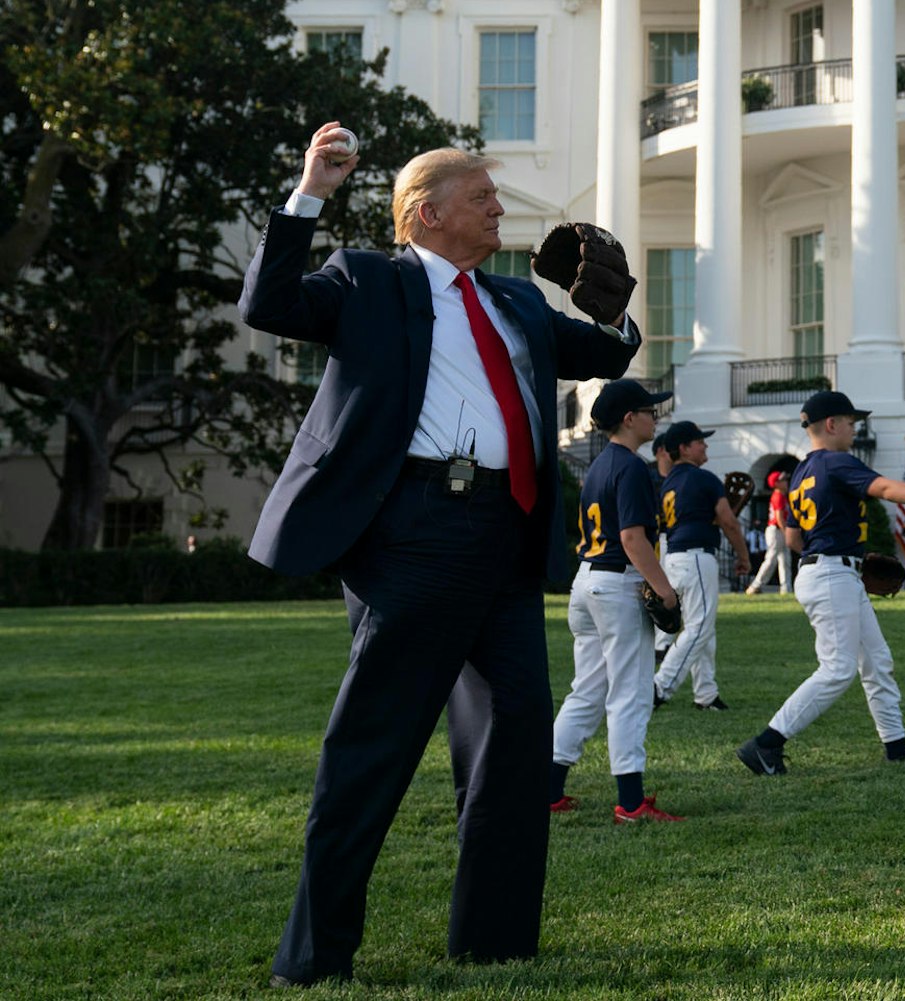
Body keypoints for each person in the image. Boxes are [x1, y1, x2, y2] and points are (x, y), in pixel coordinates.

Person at [239, 124, 643, 987]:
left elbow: (605, 354)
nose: (499, 209)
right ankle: (314, 955)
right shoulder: (366, 279)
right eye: (481, 197)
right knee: (375, 746)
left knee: (513, 741)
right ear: (426, 213)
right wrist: (311, 191)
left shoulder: (515, 302)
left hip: (507, 536)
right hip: (413, 535)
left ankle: (495, 942)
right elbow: (269, 305)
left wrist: (611, 308)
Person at [737, 391, 905, 775]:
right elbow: (884, 489)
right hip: (832, 574)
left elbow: (792, 538)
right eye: (850, 422)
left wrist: (833, 554)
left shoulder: (801, 472)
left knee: (876, 661)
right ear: (831, 425)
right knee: (837, 669)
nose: (854, 429)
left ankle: (896, 747)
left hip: (828, 571)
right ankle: (766, 744)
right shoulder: (835, 461)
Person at [548, 381, 683, 824]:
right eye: (649, 411)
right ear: (629, 418)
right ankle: (631, 802)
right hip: (616, 585)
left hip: (586, 581)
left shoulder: (600, 465)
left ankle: (548, 788)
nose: (655, 418)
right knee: (630, 693)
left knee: (587, 690)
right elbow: (632, 538)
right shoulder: (631, 467)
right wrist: (665, 590)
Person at [651, 420, 753, 710]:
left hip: (675, 557)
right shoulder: (704, 478)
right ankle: (658, 687)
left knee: (703, 626)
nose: (705, 445)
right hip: (696, 557)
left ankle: (706, 694)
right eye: (699, 441)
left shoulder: (669, 482)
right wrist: (744, 557)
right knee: (699, 627)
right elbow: (729, 522)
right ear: (684, 448)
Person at [744, 466, 794, 595]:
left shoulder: (782, 496)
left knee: (785, 559)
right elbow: (779, 517)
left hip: (779, 530)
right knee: (772, 559)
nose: (786, 482)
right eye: (782, 480)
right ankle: (755, 585)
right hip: (776, 530)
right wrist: (787, 533)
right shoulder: (778, 496)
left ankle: (786, 588)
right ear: (776, 483)